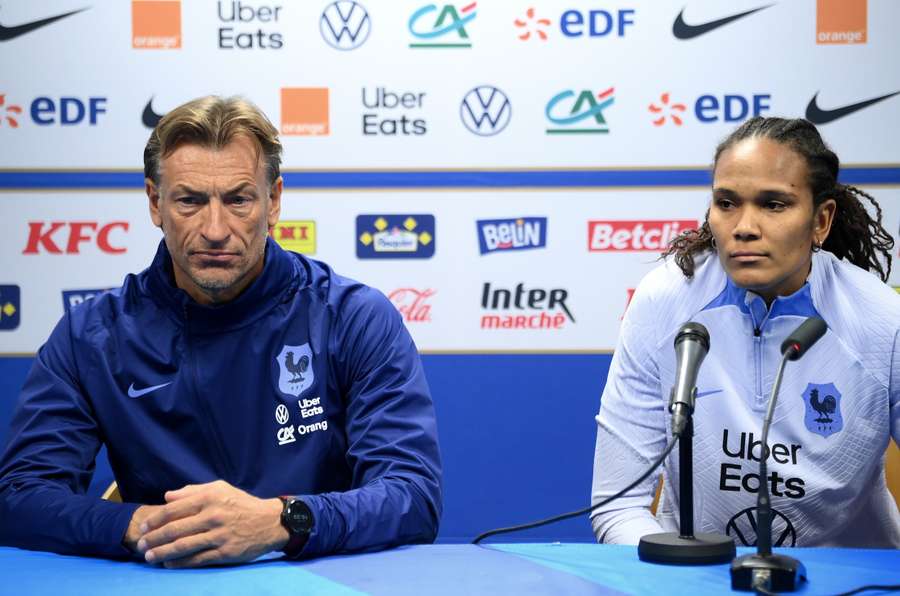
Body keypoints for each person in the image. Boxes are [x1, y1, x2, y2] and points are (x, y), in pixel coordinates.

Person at [0, 96, 442, 567]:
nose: (215, 228)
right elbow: (19, 498)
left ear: (272, 201)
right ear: (155, 202)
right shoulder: (90, 336)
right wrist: (143, 527)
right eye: (190, 201)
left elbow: (412, 495)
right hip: (165, 579)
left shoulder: (353, 317)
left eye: (238, 200)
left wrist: (281, 522)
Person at [590, 117, 899, 548]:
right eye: (727, 202)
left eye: (773, 204)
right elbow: (617, 505)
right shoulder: (665, 301)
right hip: (694, 577)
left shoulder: (883, 319)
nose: (744, 227)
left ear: (820, 221)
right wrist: (686, 575)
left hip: (847, 577)